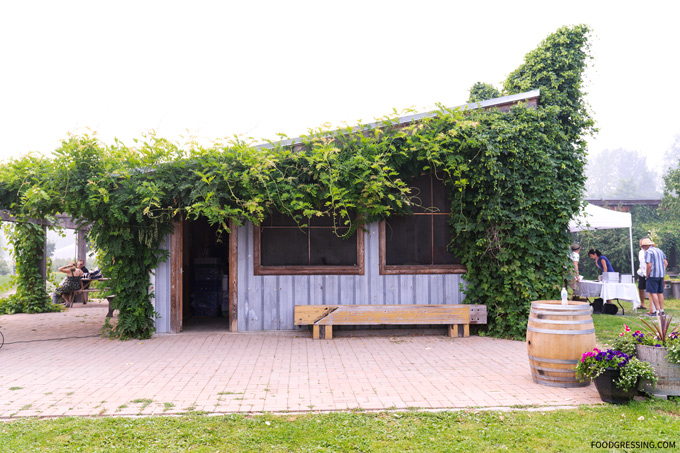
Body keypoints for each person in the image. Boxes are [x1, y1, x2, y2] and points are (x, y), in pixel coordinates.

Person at [641, 238, 668, 317]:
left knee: (653, 293)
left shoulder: (648, 252)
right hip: (661, 275)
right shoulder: (659, 250)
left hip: (653, 275)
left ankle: (657, 310)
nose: (643, 248)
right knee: (660, 293)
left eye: (643, 247)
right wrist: (662, 270)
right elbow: (665, 262)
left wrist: (647, 274)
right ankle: (662, 310)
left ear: (646, 246)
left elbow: (649, 265)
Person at [636, 239, 650, 312]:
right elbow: (641, 262)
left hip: (649, 272)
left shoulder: (649, 252)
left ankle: (652, 306)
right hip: (642, 272)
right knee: (641, 288)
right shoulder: (640, 252)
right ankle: (642, 304)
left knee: (650, 290)